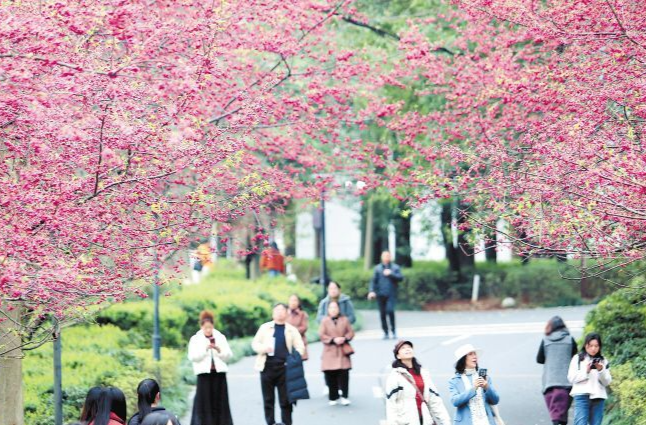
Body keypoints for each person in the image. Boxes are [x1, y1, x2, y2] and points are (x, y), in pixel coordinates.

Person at [252, 303, 305, 425]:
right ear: (273, 313)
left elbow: (300, 347)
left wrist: (293, 358)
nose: (280, 312)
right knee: (268, 399)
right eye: (277, 310)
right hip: (267, 367)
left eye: (282, 310)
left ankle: (287, 422)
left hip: (285, 369)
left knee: (286, 400)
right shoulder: (265, 328)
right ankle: (270, 422)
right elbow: (255, 344)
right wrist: (264, 348)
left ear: (286, 313)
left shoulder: (291, 330)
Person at [386, 340, 451, 425]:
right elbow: (391, 405)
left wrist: (446, 421)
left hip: (425, 420)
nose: (407, 349)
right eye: (403, 348)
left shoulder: (423, 373)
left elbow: (434, 399)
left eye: (409, 347)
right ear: (398, 355)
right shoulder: (395, 376)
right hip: (406, 422)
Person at [187, 310, 234, 425]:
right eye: (206, 327)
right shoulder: (196, 339)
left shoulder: (220, 337)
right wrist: (205, 349)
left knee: (220, 401)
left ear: (213, 326)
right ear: (201, 326)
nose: (208, 330)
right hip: (204, 374)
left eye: (210, 327)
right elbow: (192, 357)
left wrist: (219, 350)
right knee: (204, 402)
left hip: (219, 373)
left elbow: (229, 355)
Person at [537, 316, 578, 425]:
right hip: (566, 383)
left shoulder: (545, 341)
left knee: (555, 416)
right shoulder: (570, 340)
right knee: (562, 414)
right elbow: (576, 358)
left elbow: (539, 359)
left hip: (549, 383)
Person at [448, 344, 501, 425]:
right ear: (463, 359)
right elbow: (455, 401)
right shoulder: (454, 381)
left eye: (474, 353)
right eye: (470, 354)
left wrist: (487, 387)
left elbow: (495, 400)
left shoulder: (484, 377)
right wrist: (473, 389)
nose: (474, 356)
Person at [568, 333, 612, 425]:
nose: (593, 348)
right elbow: (571, 377)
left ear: (599, 347)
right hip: (581, 396)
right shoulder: (577, 359)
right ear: (585, 345)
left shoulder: (603, 360)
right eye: (590, 345)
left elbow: (607, 381)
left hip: (598, 397)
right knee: (580, 423)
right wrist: (586, 371)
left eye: (596, 346)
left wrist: (601, 370)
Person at [319, 300, 355, 406]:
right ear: (328, 310)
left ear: (339, 309)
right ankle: (333, 396)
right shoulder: (324, 321)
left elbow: (351, 332)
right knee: (330, 374)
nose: (333, 310)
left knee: (344, 374)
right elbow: (321, 334)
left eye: (335, 307)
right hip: (329, 350)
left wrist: (344, 338)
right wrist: (333, 339)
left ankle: (344, 396)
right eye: (331, 308)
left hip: (342, 349)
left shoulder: (345, 320)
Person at [368, 251, 404, 339]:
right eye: (384, 255)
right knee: (382, 313)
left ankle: (393, 330)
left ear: (390, 257)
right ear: (381, 257)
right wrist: (371, 291)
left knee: (390, 311)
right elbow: (373, 281)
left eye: (388, 255)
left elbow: (401, 278)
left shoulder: (395, 267)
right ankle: (385, 332)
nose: (386, 257)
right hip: (380, 294)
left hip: (391, 294)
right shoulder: (377, 268)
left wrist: (391, 274)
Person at [286, 294, 309, 361]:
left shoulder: (303, 314)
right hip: (286, 342)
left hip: (299, 342)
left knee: (298, 365)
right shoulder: (285, 313)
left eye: (295, 300)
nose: (293, 302)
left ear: (298, 302)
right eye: (291, 300)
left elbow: (304, 327)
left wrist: (291, 331)